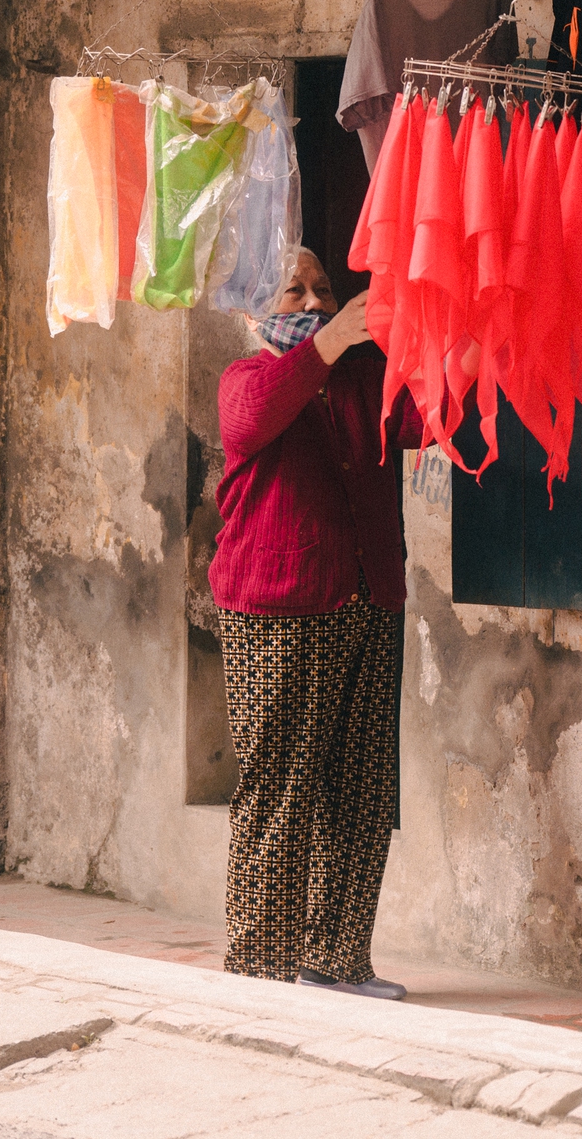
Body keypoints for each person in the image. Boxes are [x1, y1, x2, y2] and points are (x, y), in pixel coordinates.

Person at [209, 249, 423, 999]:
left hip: (370, 599)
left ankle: (336, 959)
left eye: (324, 291)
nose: (313, 299)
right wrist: (328, 341)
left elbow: (425, 419)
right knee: (282, 792)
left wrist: (449, 344)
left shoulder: (361, 379)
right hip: (280, 610)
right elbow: (255, 416)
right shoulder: (246, 380)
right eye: (293, 289)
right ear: (251, 309)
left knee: (362, 793)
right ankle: (260, 970)